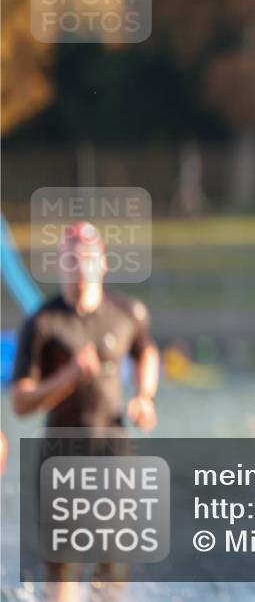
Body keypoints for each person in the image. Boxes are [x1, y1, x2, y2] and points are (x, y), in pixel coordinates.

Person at [10, 221, 160, 602]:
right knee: (62, 571)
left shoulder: (128, 312)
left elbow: (147, 352)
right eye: (72, 260)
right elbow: (20, 402)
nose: (81, 268)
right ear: (60, 264)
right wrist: (67, 378)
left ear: (103, 263)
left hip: (114, 450)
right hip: (59, 455)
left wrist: (144, 395)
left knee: (113, 569)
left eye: (89, 259)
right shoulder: (42, 323)